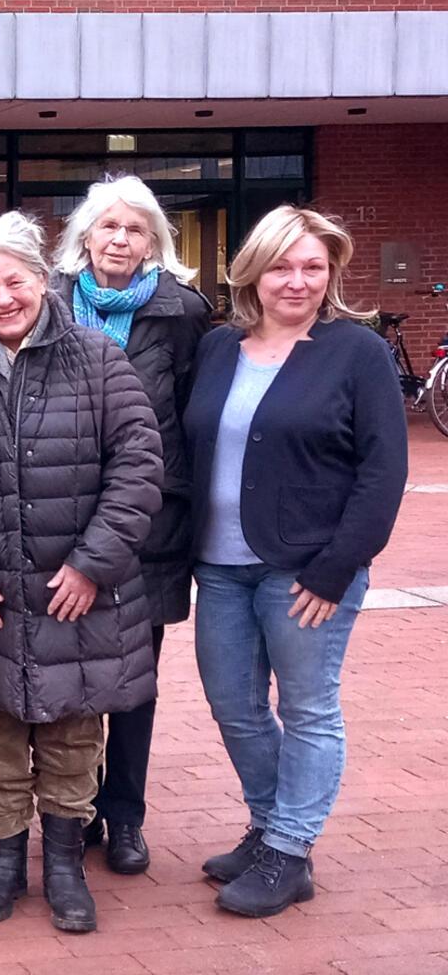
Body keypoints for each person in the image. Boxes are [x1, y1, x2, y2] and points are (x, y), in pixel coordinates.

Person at [0, 211, 162, 934]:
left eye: (15, 281)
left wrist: (92, 565)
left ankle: (66, 863)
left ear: (42, 282)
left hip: (76, 593)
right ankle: (5, 857)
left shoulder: (97, 358)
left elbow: (138, 466)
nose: (3, 298)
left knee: (75, 736)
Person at [184, 206, 407, 919]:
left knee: (308, 709)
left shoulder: (356, 352)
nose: (298, 280)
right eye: (283, 265)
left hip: (308, 570)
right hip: (218, 565)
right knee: (235, 707)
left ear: (332, 273)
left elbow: (384, 470)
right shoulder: (220, 348)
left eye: (313, 267)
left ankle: (288, 849)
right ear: (253, 269)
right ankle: (269, 827)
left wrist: (337, 566)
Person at [50, 176, 212, 875]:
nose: (119, 239)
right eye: (108, 226)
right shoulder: (47, 301)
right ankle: (75, 809)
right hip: (61, 517)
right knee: (73, 673)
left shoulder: (183, 314)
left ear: (154, 242)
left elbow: (192, 422)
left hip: (150, 521)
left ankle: (125, 817)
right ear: (85, 235)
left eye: (135, 229)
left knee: (134, 680)